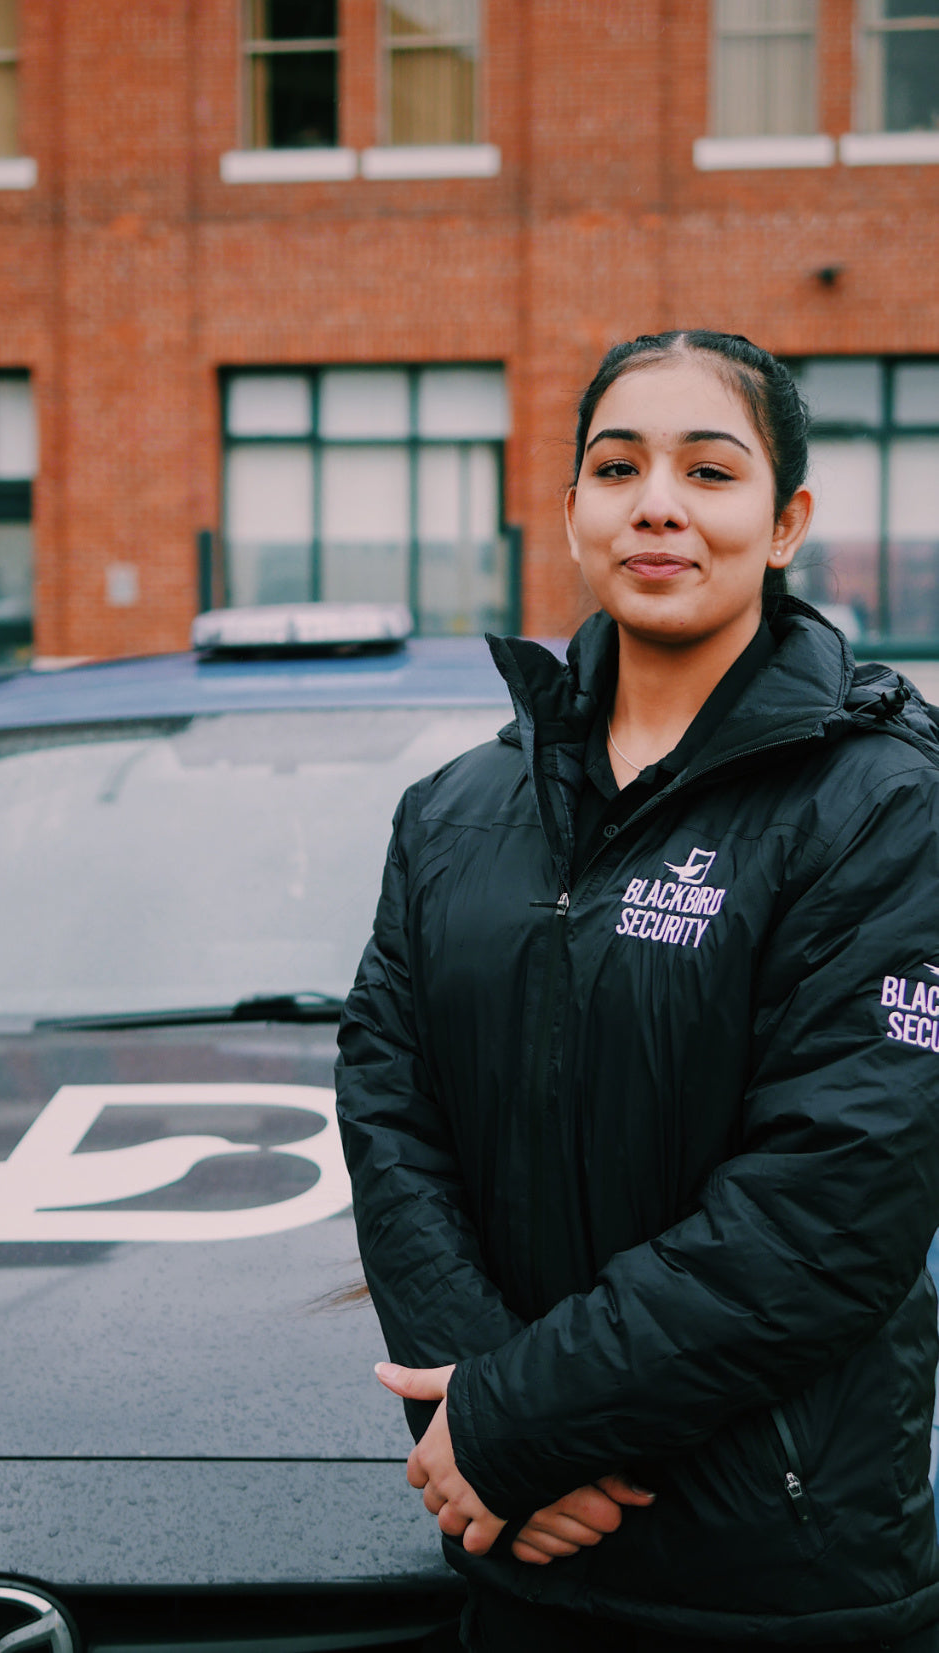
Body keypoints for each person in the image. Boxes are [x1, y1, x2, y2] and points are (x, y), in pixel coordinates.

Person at [335, 329, 939, 1651]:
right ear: (570, 512)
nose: (657, 501)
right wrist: (477, 1414)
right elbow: (390, 1108)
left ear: (785, 524)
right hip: (521, 1561)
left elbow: (836, 1205)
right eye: (618, 466)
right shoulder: (455, 811)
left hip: (772, 1578)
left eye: (708, 471)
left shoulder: (884, 802)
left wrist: (517, 1420)